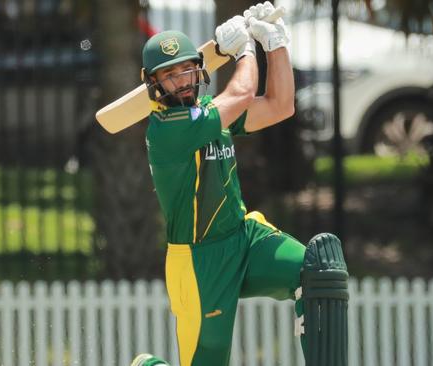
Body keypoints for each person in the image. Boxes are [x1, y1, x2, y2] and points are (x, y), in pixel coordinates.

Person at [129, 3, 348, 366]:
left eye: (187, 69)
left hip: (243, 238)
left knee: (319, 272)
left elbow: (281, 105)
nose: (182, 81)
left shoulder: (214, 114)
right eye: (170, 74)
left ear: (199, 70)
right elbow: (242, 94)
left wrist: (274, 43)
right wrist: (245, 50)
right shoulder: (168, 129)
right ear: (152, 82)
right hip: (200, 262)